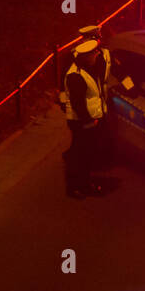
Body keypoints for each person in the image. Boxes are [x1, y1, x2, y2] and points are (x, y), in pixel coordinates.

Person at [60, 37, 113, 198]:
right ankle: (75, 187)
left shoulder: (87, 69)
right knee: (80, 156)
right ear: (86, 56)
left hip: (89, 119)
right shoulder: (76, 76)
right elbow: (78, 104)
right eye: (94, 54)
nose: (97, 56)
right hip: (81, 122)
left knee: (86, 155)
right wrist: (90, 122)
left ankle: (84, 183)